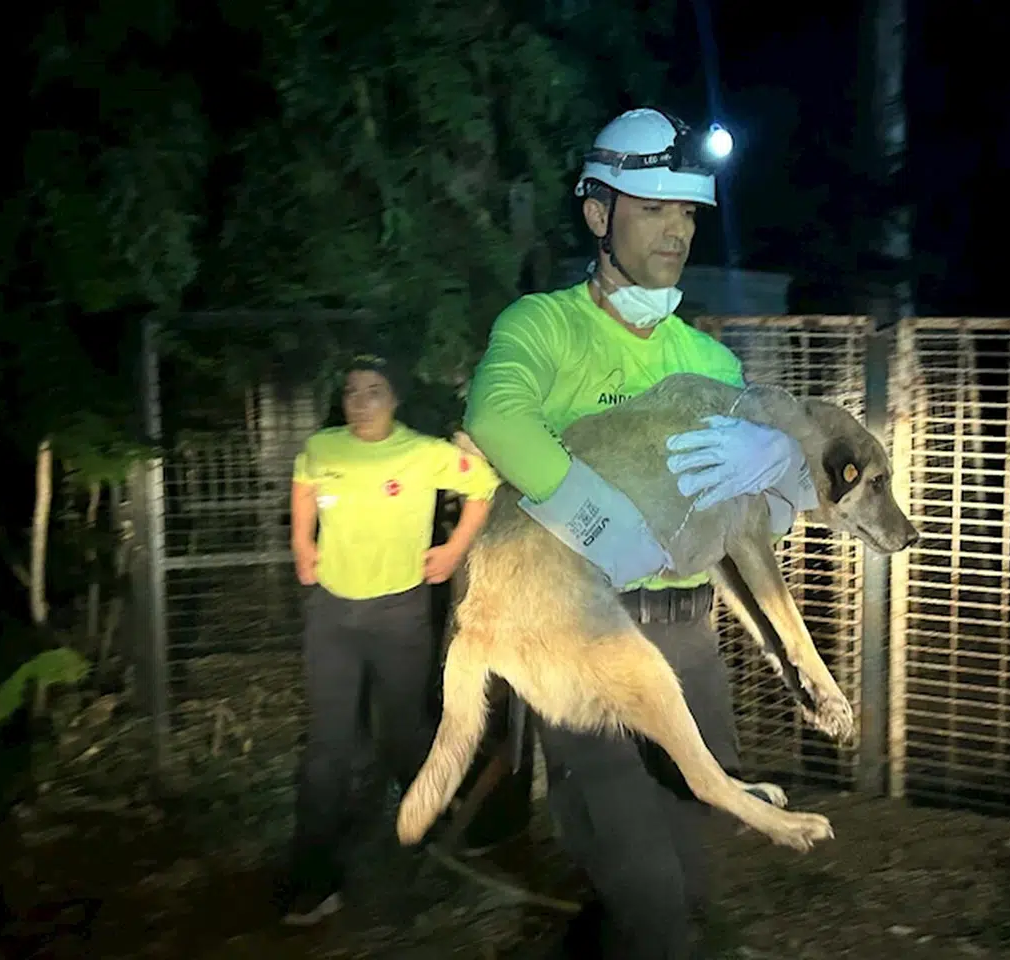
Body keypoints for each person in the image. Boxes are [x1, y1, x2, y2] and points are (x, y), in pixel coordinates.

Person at [462, 108, 819, 958]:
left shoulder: (712, 361)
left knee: (686, 879)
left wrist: (781, 473)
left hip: (691, 640)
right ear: (598, 213)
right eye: (652, 207)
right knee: (651, 897)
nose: (676, 229)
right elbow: (497, 418)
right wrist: (600, 522)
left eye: (686, 211)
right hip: (584, 639)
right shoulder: (542, 326)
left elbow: (754, 524)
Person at [281, 352, 500, 926]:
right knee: (328, 748)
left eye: (374, 390)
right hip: (332, 615)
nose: (361, 403)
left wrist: (454, 549)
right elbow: (303, 483)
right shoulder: (323, 447)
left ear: (394, 398)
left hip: (399, 615)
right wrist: (303, 541)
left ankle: (437, 825)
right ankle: (313, 881)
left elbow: (484, 486)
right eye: (352, 392)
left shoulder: (424, 453)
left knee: (404, 731)